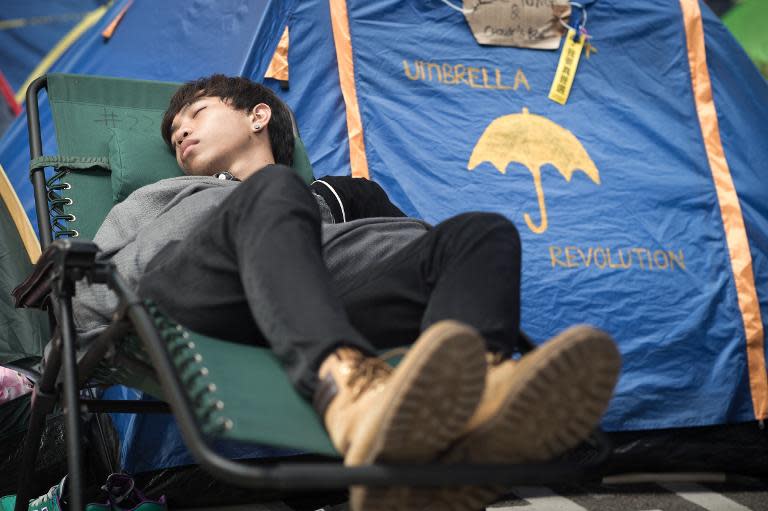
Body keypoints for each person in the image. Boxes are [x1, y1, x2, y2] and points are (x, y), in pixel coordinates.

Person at [73, 75, 621, 511]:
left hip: (310, 293)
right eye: (173, 137)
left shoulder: (329, 200)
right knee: (275, 189)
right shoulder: (156, 196)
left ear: (258, 116)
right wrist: (94, 339)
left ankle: (476, 408)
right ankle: (347, 396)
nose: (181, 135)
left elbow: (404, 247)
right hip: (194, 293)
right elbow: (93, 286)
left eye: (198, 114)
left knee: (483, 231)